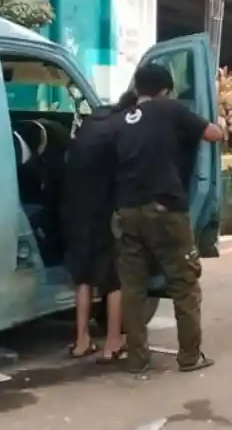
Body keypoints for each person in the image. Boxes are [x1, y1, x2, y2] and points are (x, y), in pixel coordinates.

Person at [113, 63, 224, 374]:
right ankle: (189, 356)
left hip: (127, 212)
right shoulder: (169, 109)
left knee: (133, 288)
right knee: (184, 284)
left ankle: (137, 358)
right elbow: (212, 134)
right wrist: (221, 124)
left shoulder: (121, 120)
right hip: (164, 210)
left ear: (138, 88)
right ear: (165, 89)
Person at [62, 90, 138, 362]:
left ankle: (82, 341)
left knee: (83, 278)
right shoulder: (120, 130)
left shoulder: (93, 122)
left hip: (73, 209)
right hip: (101, 212)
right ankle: (113, 343)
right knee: (112, 280)